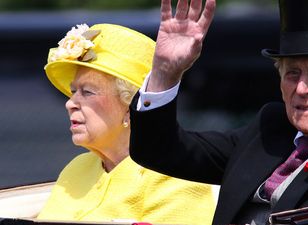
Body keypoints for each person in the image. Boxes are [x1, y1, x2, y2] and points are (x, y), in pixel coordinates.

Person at [129, 0, 308, 224]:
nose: (302, 88)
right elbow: (161, 151)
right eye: (292, 74)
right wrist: (166, 73)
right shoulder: (269, 128)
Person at [37, 23, 216, 224]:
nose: (70, 103)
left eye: (87, 92)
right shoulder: (77, 168)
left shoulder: (175, 174)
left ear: (129, 107)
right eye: (73, 92)